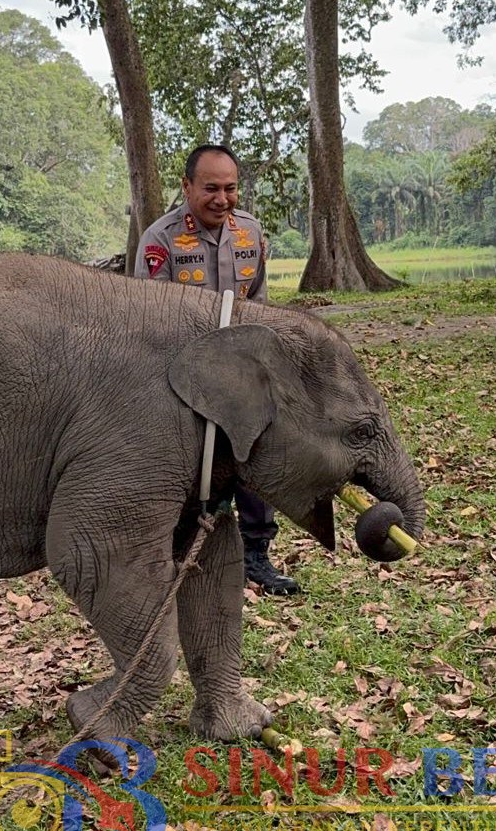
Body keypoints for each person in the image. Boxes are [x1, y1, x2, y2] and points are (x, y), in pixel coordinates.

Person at [134, 143, 300, 595]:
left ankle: (255, 556)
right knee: (186, 467)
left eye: (230, 189)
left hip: (240, 373)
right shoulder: (159, 241)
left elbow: (260, 306)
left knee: (256, 450)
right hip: (179, 376)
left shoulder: (250, 233)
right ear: (187, 187)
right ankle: (179, 552)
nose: (221, 199)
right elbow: (151, 322)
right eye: (210, 188)